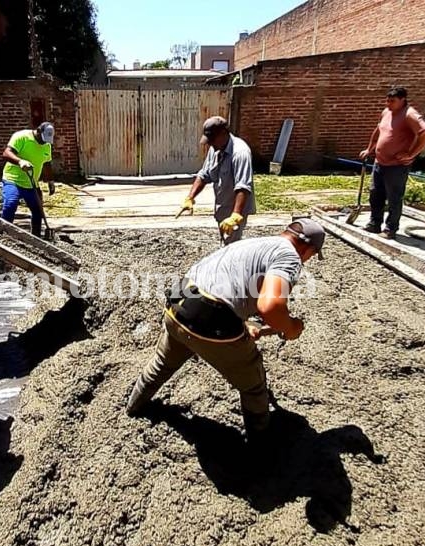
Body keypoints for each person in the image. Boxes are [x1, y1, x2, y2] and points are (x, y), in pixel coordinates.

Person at [126, 218, 325, 442]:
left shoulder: (255, 244)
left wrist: (242, 324)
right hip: (211, 319)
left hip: (178, 302)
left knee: (163, 363)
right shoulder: (289, 256)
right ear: (307, 248)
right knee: (253, 386)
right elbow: (270, 306)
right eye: (311, 256)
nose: (307, 261)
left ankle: (133, 407)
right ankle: (263, 449)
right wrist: (290, 327)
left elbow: (228, 286)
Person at [359, 86, 425, 239]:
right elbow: (379, 130)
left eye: (392, 101)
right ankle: (374, 224)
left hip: (396, 166)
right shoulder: (386, 112)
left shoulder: (410, 115)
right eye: (387, 100)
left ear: (402, 100)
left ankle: (390, 228)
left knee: (394, 198)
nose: (388, 103)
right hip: (380, 163)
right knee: (375, 195)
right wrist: (369, 149)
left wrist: (411, 154)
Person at [176, 116, 255, 244]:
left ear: (224, 133)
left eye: (212, 139)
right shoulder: (216, 148)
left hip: (235, 210)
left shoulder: (240, 153)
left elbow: (243, 187)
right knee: (226, 243)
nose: (210, 144)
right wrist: (190, 198)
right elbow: (204, 174)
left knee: (232, 247)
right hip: (222, 207)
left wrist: (235, 216)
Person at [0, 122, 55, 236]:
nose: (44, 142)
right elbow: (6, 153)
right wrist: (20, 161)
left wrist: (50, 181)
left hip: (31, 183)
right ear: (38, 131)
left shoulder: (47, 145)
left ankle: (36, 238)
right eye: (43, 139)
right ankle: (3, 234)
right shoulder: (21, 137)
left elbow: (47, 163)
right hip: (13, 179)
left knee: (38, 210)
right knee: (10, 204)